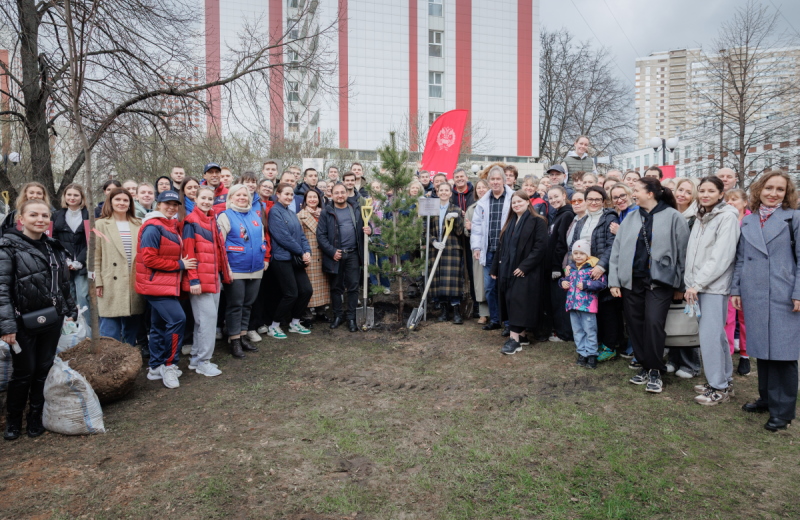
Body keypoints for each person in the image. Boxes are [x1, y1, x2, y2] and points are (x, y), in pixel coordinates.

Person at [0, 199, 77, 440]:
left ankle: (35, 416)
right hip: (22, 322)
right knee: (24, 371)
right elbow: (1, 288)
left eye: (44, 215)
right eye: (34, 215)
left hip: (52, 319)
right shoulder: (7, 247)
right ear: (21, 219)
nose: (40, 219)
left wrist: (70, 309)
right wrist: (7, 326)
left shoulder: (53, 246)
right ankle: (13, 420)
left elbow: (64, 283)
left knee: (43, 369)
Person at [731, 170, 800, 431]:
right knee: (763, 349)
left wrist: (798, 293)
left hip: (784, 293)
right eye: (769, 188)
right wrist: (736, 289)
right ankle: (767, 398)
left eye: (780, 189)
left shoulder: (794, 218)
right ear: (759, 190)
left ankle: (783, 411)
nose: (773, 193)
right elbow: (740, 258)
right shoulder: (748, 222)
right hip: (754, 293)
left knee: (783, 353)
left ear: (787, 193)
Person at [609, 177, 690, 394]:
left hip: (659, 283)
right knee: (635, 325)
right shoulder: (631, 217)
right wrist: (614, 281)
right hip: (631, 282)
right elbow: (616, 251)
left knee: (654, 324)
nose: (633, 193)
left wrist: (680, 286)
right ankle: (645, 366)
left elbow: (683, 254)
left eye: (636, 190)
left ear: (650, 193)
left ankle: (655, 369)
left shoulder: (674, 217)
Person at [684, 176, 741, 406]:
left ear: (720, 194)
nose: (705, 194)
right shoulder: (701, 216)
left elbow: (721, 257)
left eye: (710, 191)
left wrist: (697, 284)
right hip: (698, 286)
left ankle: (718, 387)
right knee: (714, 336)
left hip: (712, 287)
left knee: (710, 338)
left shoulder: (726, 217)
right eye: (702, 190)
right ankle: (723, 380)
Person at [136, 190, 195, 389]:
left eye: (174, 204)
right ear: (158, 204)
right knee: (178, 319)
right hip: (155, 286)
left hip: (164, 285)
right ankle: (170, 365)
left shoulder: (169, 225)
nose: (171, 207)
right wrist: (180, 265)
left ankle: (155, 367)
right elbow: (149, 259)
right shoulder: (153, 227)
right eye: (166, 203)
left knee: (159, 326)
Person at [181, 185, 230, 375]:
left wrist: (224, 273)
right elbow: (188, 254)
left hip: (214, 278)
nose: (207, 202)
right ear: (196, 199)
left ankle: (195, 357)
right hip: (200, 281)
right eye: (203, 198)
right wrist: (193, 280)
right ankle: (203, 362)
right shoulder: (190, 222)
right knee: (207, 321)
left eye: (210, 199)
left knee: (204, 321)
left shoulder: (212, 220)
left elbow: (219, 252)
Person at [490, 190, 547, 352]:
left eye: (520, 201)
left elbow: (540, 247)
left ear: (528, 202)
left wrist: (524, 267)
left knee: (518, 302)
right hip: (507, 270)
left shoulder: (538, 221)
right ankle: (521, 336)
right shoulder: (510, 222)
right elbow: (501, 247)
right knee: (511, 301)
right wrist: (495, 267)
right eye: (514, 202)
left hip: (525, 271)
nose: (516, 205)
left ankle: (513, 340)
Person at [569, 186, 620, 360]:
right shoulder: (582, 220)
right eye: (590, 199)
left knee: (607, 308)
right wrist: (570, 265)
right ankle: (594, 343)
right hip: (584, 272)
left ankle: (610, 346)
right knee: (590, 309)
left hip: (602, 270)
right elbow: (574, 246)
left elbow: (612, 244)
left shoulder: (609, 217)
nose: (593, 202)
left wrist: (601, 266)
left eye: (597, 199)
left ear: (603, 201)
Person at [216, 184, 267, 357]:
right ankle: (234, 340)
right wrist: (226, 268)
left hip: (256, 268)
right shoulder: (225, 216)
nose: (242, 198)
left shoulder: (255, 215)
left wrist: (264, 258)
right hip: (235, 268)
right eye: (238, 195)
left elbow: (262, 239)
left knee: (248, 304)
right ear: (230, 197)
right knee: (235, 304)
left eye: (245, 195)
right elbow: (220, 246)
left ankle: (243, 335)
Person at [663, 177, 702, 377]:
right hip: (667, 275)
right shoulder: (669, 214)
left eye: (688, 192)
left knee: (687, 318)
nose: (682, 195)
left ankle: (690, 364)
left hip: (686, 277)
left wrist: (681, 285)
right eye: (680, 190)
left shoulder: (695, 218)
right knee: (672, 318)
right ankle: (674, 358)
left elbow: (688, 254)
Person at [317, 183, 370, 332]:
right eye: (337, 193)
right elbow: (320, 235)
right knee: (336, 287)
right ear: (332, 195)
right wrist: (332, 251)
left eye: (342, 192)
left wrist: (369, 230)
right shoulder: (326, 212)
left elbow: (365, 226)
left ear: (347, 194)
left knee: (353, 287)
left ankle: (351, 318)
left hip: (353, 254)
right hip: (336, 255)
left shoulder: (356, 209)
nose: (340, 195)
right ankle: (338, 316)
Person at [95, 188, 144, 346]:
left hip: (133, 280)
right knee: (109, 329)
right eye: (118, 200)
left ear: (130, 204)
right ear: (110, 202)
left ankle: (128, 362)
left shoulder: (138, 223)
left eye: (125, 200)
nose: (122, 203)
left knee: (131, 327)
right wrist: (98, 282)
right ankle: (109, 364)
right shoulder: (100, 224)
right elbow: (95, 256)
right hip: (111, 281)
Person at [470, 166, 515, 332]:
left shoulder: (512, 198)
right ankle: (495, 319)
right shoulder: (483, 202)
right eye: (492, 179)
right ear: (488, 182)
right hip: (488, 251)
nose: (495, 182)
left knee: (507, 288)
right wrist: (476, 247)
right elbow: (476, 227)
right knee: (490, 287)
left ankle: (510, 323)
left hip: (507, 252)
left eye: (498, 179)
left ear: (504, 180)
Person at [267, 183, 314, 338]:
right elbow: (283, 238)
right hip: (282, 259)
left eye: (291, 194)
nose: (289, 197)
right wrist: (301, 252)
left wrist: (307, 251)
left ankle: (295, 322)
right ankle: (274, 325)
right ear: (278, 194)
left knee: (306, 290)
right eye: (286, 194)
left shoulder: (292, 213)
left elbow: (301, 236)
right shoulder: (275, 212)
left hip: (295, 258)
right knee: (291, 294)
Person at [560, 240, 607, 368]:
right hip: (573, 305)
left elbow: (602, 284)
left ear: (588, 255)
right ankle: (582, 353)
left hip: (587, 306)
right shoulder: (571, 268)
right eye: (575, 253)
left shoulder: (593, 268)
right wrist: (563, 283)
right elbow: (565, 281)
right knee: (577, 330)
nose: (578, 256)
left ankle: (592, 355)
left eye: (582, 253)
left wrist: (587, 285)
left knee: (589, 330)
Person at [428, 182, 465, 324]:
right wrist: (433, 241)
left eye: (446, 190)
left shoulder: (456, 209)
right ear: (437, 192)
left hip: (452, 250)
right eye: (441, 190)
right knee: (439, 281)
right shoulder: (432, 209)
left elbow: (460, 231)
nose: (443, 192)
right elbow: (424, 231)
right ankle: (444, 310)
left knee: (453, 281)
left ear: (451, 193)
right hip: (436, 248)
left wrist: (455, 219)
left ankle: (456, 311)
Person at [724, 188, 750, 375]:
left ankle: (745, 355)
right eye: (727, 200)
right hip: (728, 273)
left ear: (745, 202)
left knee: (745, 318)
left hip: (748, 275)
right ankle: (727, 355)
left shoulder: (751, 220)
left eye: (734, 199)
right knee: (728, 317)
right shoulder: (726, 220)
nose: (730, 203)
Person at [52, 184, 90, 314]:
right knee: (69, 296)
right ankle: (73, 329)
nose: (72, 198)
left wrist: (79, 261)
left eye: (76, 195)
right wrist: (66, 260)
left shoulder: (89, 215)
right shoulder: (56, 216)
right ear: (64, 196)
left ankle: (89, 330)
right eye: (69, 195)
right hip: (64, 264)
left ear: (81, 197)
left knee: (83, 296)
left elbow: (91, 241)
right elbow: (54, 239)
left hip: (83, 263)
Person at [546, 185, 575, 342]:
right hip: (554, 264)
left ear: (564, 196)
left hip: (561, 265)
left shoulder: (567, 215)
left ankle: (565, 333)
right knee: (556, 300)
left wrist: (557, 267)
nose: (553, 200)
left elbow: (561, 243)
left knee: (561, 300)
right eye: (550, 198)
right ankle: (560, 331)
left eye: (556, 196)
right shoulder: (557, 214)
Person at [298, 189, 331, 321]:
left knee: (323, 285)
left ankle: (321, 312)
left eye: (315, 197)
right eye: (309, 197)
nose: (312, 199)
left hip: (323, 254)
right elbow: (298, 237)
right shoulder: (300, 216)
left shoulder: (324, 214)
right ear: (305, 200)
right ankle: (307, 314)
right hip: (310, 254)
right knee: (310, 286)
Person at [465, 179, 490, 323]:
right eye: (478, 188)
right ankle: (483, 313)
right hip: (478, 249)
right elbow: (465, 230)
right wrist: (469, 229)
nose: (481, 190)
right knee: (480, 281)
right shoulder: (471, 209)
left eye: (483, 187)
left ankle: (497, 313)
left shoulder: (496, 205)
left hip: (494, 248)